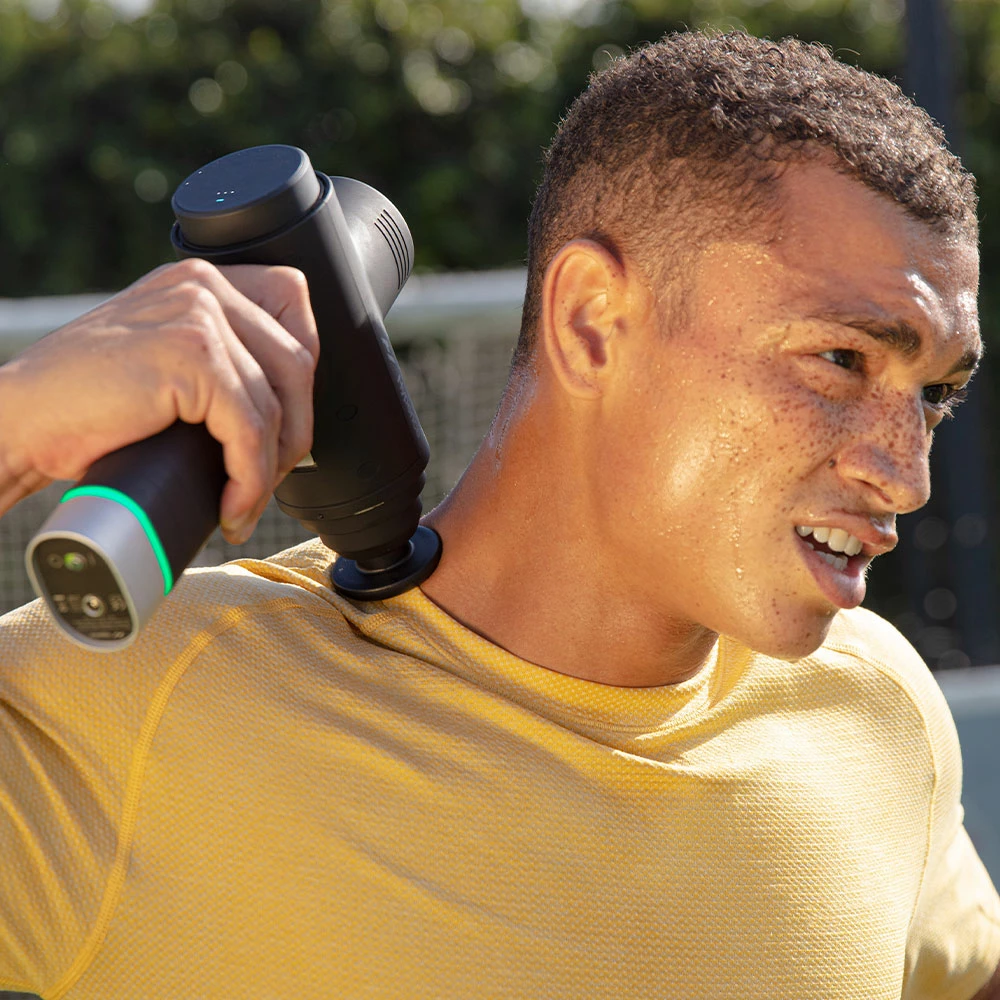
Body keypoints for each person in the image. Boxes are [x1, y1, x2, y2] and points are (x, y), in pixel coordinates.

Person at [1, 28, 998, 1000]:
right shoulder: (139, 700)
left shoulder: (878, 706)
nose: (906, 475)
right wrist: (16, 422)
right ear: (590, 320)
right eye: (841, 360)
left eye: (935, 394)